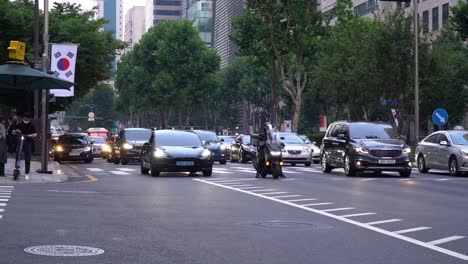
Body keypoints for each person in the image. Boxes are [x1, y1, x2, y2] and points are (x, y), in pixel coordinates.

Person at [13, 113, 37, 180]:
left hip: (28, 141)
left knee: (27, 157)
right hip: (20, 140)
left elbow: (35, 134)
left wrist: (31, 135)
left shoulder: (31, 125)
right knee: (18, 155)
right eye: (25, 118)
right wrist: (16, 130)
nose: (26, 120)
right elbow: (13, 131)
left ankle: (27, 173)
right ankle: (16, 168)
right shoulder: (19, 124)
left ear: (29, 119)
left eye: (27, 119)